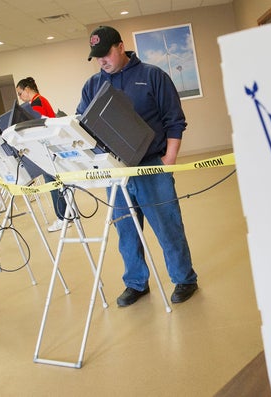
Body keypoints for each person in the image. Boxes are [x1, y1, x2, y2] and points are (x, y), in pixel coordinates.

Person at [76, 26, 198, 306]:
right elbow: (82, 123)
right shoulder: (92, 85)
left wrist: (169, 159)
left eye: (105, 54)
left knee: (167, 227)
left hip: (151, 165)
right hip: (115, 171)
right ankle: (136, 283)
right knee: (126, 232)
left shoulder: (153, 76)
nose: (101, 61)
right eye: (96, 57)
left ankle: (184, 279)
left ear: (121, 47)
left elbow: (174, 120)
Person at [15, 77, 68, 232]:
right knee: (56, 184)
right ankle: (66, 215)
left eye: (20, 93)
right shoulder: (40, 100)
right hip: (49, 147)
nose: (20, 97)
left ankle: (62, 218)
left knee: (53, 184)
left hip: (46, 149)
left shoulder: (36, 103)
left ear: (27, 89)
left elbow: (36, 127)